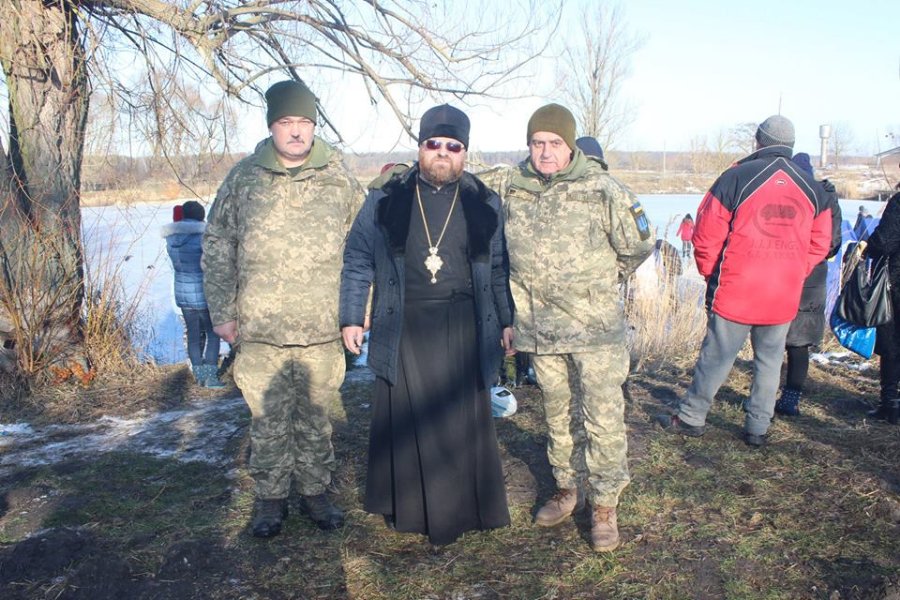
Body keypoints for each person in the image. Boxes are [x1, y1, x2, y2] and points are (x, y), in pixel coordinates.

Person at [481, 103, 654, 552]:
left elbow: (639, 244)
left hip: (594, 331)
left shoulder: (602, 188)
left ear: (570, 145)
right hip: (540, 330)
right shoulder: (512, 185)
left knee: (602, 418)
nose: (545, 152)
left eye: (554, 143)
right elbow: (461, 180)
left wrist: (602, 281)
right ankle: (567, 488)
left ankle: (604, 505)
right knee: (557, 415)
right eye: (537, 143)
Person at [339, 104, 512, 546]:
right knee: (408, 419)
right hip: (404, 323)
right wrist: (352, 316)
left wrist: (507, 321)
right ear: (420, 147)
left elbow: (498, 270)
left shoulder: (483, 202)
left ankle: (458, 511)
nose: (442, 153)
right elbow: (358, 257)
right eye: (434, 144)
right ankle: (411, 509)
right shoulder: (387, 198)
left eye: (453, 147)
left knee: (456, 421)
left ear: (464, 153)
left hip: (463, 325)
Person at [203, 79, 363, 538]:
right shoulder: (244, 179)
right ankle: (270, 500)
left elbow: (363, 250)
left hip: (322, 328)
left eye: (304, 122)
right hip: (260, 329)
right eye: (286, 122)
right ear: (272, 126)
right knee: (268, 422)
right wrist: (223, 312)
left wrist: (358, 311)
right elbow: (218, 245)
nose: (296, 131)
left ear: (314, 125)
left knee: (315, 419)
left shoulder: (339, 179)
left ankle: (316, 493)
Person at [655, 115, 834, 447]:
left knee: (717, 356)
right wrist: (794, 271)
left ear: (758, 140)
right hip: (782, 292)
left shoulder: (735, 177)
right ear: (791, 145)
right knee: (769, 361)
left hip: (737, 287)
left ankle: (692, 417)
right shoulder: (812, 187)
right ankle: (758, 427)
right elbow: (821, 243)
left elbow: (705, 236)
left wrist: (712, 274)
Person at [773, 153, 842, 416]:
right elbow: (832, 244)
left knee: (771, 334)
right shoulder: (825, 197)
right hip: (813, 274)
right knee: (799, 341)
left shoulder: (785, 195)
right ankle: (791, 398)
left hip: (782, 271)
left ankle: (765, 396)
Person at [162, 200, 224, 388]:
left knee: (194, 335)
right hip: (204, 293)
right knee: (213, 334)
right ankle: (210, 378)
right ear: (201, 216)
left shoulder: (171, 239)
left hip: (182, 294)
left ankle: (199, 376)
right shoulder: (204, 238)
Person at [863, 185, 900, 424]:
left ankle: (891, 404)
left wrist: (869, 246)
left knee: (892, 343)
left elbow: (884, 242)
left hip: (897, 283)